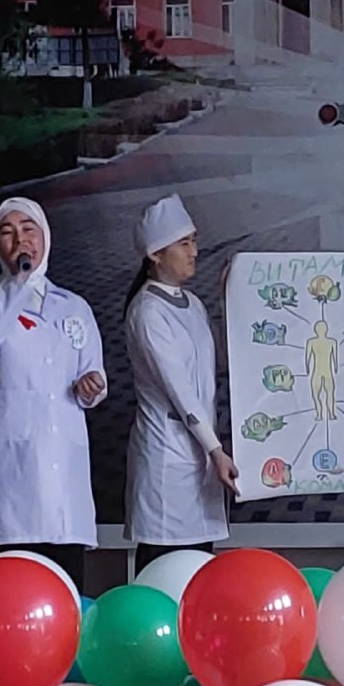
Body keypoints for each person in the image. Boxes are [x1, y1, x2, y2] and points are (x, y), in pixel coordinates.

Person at [0, 196, 106, 591]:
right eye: (7, 233)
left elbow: (93, 378)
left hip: (62, 483)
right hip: (8, 481)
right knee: (3, 597)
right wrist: (17, 281)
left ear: (45, 237)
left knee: (63, 598)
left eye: (28, 229)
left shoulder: (74, 307)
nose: (20, 240)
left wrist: (90, 387)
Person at [123, 194, 239, 574]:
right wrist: (215, 450)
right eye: (184, 243)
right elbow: (181, 391)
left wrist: (230, 300)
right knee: (165, 568)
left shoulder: (193, 304)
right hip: (167, 458)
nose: (195, 252)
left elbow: (221, 359)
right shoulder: (147, 312)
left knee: (199, 568)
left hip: (201, 457)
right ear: (156, 254)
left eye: (194, 241)